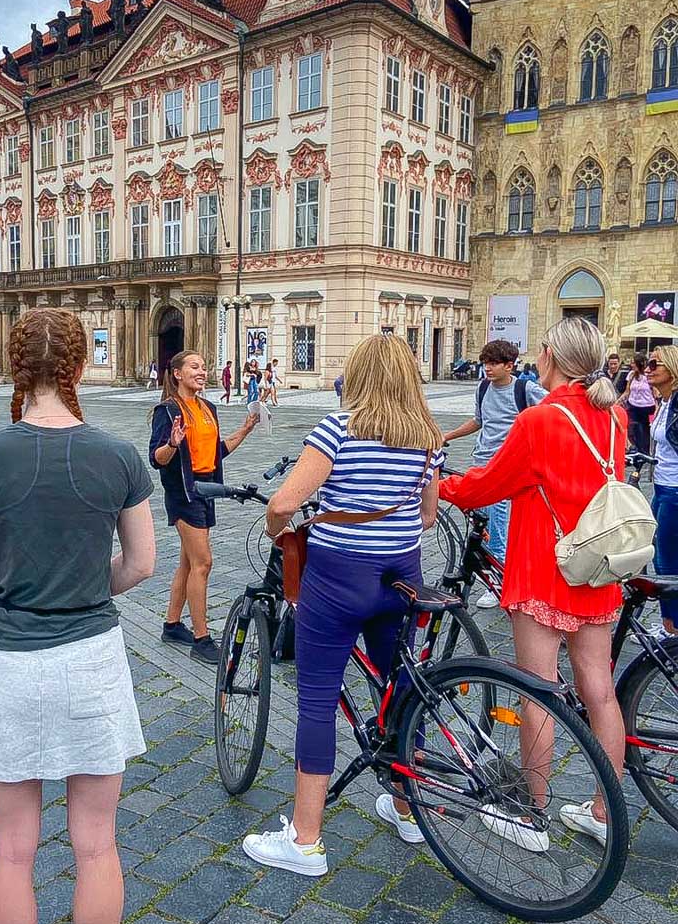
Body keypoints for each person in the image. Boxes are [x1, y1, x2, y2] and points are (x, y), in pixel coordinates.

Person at [0, 308, 156, 924]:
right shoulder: (119, 455)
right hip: (91, 656)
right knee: (97, 841)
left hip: (13, 659)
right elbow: (141, 563)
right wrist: (87, 585)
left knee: (11, 850)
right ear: (79, 367)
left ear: (12, 365)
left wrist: (27, 579)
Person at [243, 335, 443, 873]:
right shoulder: (427, 436)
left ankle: (305, 840)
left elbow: (285, 501)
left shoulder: (338, 429)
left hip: (337, 577)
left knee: (316, 699)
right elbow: (428, 516)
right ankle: (407, 808)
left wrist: (275, 529)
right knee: (401, 689)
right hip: (402, 574)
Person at [441, 317, 627, 847]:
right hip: (597, 567)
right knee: (599, 690)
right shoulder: (613, 416)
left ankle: (532, 811)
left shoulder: (541, 419)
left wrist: (441, 484)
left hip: (545, 568)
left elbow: (488, 485)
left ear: (550, 356)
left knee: (536, 693)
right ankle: (603, 809)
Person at [150, 350, 258, 664]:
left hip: (207, 488)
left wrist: (246, 430)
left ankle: (172, 625)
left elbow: (216, 452)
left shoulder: (208, 407)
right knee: (204, 563)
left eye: (203, 366)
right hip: (184, 492)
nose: (202, 371)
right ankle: (201, 637)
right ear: (177, 374)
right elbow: (155, 459)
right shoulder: (168, 411)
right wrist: (171, 443)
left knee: (188, 562)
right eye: (194, 367)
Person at [443, 339, 547, 608]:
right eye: (485, 363)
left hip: (507, 468)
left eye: (493, 364)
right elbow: (478, 421)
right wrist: (449, 435)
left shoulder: (526, 389)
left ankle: (499, 582)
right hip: (481, 462)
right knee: (483, 523)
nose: (487, 368)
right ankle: (497, 575)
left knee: (496, 524)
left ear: (509, 365)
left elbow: (552, 413)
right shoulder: (484, 387)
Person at [648, 346, 678, 634]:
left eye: (655, 364)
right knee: (661, 557)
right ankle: (671, 624)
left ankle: (673, 630)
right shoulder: (666, 401)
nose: (648, 368)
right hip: (662, 485)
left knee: (668, 562)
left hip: (674, 490)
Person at [622, 354, 656, 469]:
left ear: (639, 364)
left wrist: (657, 407)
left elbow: (655, 392)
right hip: (633, 404)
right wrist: (618, 401)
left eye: (633, 362)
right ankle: (637, 449)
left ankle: (644, 451)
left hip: (647, 406)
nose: (631, 364)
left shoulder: (648, 376)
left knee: (644, 429)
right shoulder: (631, 375)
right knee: (634, 428)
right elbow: (627, 391)